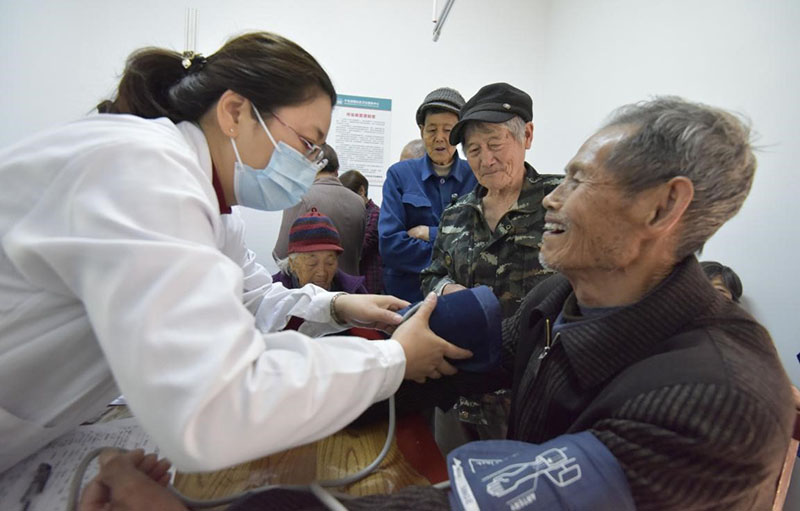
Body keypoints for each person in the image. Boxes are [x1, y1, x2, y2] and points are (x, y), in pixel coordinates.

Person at [77, 97, 796, 511]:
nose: (552, 196)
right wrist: (254, 404)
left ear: (664, 206)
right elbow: (441, 362)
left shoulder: (716, 400)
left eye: (577, 180)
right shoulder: (558, 297)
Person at [0, 31, 472, 474]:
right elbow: (214, 404)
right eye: (307, 143)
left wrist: (338, 304)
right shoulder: (147, 169)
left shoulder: (214, 205)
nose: (308, 165)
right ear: (234, 112)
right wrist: (392, 361)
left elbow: (250, 298)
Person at [419, 82, 562, 452]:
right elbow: (431, 276)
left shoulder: (562, 205)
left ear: (526, 135)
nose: (485, 159)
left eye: (495, 144)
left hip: (533, 394)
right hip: (459, 392)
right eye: (473, 150)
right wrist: (447, 290)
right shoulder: (455, 214)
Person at [378, 87, 477, 302]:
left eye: (448, 130)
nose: (439, 138)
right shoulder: (400, 175)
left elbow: (481, 245)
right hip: (407, 298)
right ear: (422, 131)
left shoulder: (477, 177)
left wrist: (429, 233)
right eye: (432, 130)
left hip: (458, 300)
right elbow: (390, 245)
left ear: (459, 133)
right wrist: (454, 254)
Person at [272, 143, 366, 275]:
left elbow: (280, 253)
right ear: (337, 170)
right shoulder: (358, 201)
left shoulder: (300, 197)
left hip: (313, 287)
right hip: (349, 287)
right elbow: (359, 253)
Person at [339, 169, 383, 294]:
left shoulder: (375, 214)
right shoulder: (357, 213)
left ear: (362, 191)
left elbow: (362, 247)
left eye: (348, 197)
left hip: (370, 280)